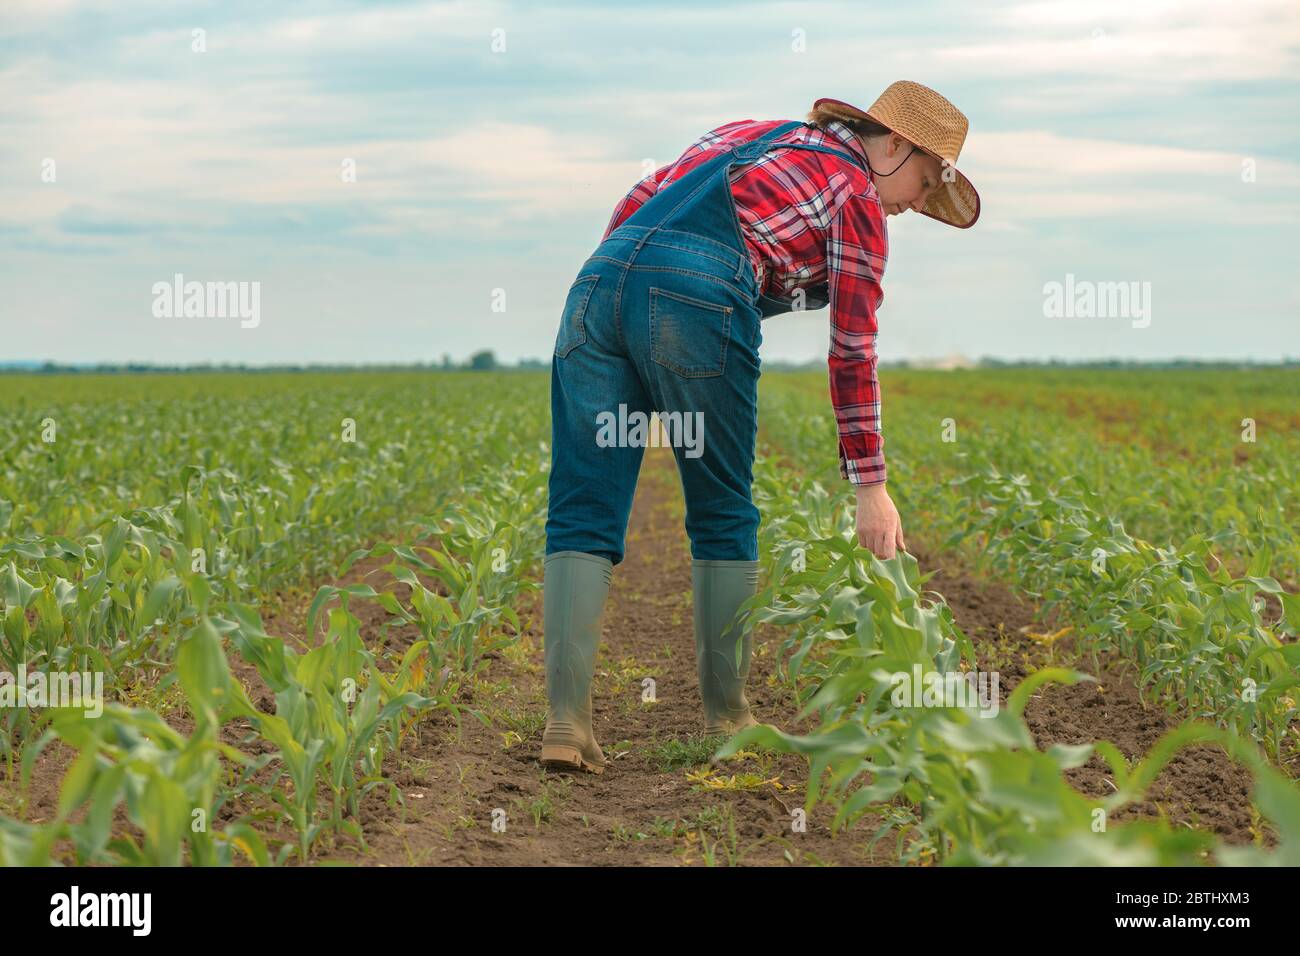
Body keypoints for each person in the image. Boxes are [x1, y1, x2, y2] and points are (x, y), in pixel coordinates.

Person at [541, 80, 981, 773]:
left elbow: (639, 197)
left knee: (581, 506)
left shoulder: (746, 133)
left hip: (596, 287)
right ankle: (728, 717)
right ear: (893, 143)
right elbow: (852, 348)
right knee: (722, 511)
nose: (918, 204)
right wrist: (871, 486)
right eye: (926, 184)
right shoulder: (858, 194)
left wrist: (628, 305)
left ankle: (565, 726)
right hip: (697, 295)